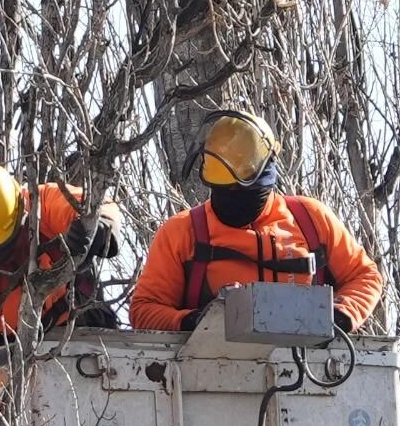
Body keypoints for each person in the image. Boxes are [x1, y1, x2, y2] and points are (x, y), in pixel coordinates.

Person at [130, 109, 382, 333]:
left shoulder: (311, 219)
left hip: (312, 373)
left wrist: (340, 315)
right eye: (223, 190)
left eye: (241, 191)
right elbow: (144, 310)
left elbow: (364, 276)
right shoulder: (182, 233)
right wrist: (194, 322)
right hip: (208, 374)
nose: (232, 200)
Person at [0, 161, 121, 426]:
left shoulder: (43, 204)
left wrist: (99, 229)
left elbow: (97, 205)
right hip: (19, 367)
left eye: (1, 250)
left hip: (89, 341)